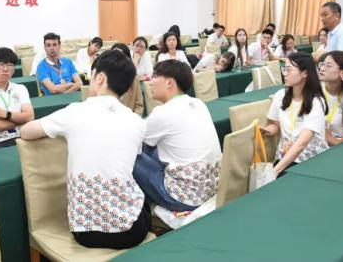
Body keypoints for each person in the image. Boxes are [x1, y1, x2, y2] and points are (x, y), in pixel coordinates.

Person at [20, 50, 149, 249]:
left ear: (100, 77)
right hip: (130, 232)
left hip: (85, 232)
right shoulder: (137, 122)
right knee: (142, 198)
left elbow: (26, 132)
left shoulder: (74, 112)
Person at [134, 60, 221, 212]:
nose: (150, 82)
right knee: (149, 148)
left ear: (169, 82)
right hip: (212, 189)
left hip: (183, 198)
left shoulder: (162, 113)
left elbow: (131, 139)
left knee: (127, 153)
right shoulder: (198, 103)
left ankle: (131, 202)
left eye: (155, 76)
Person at [261, 52, 329, 176]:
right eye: (284, 69)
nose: (284, 73)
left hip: (309, 159)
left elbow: (302, 143)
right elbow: (275, 125)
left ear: (304, 73)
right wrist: (268, 130)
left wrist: (274, 171)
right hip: (285, 155)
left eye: (289, 69)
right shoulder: (280, 95)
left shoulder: (316, 102)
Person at [111, 43, 143, 115]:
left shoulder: (133, 79)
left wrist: (133, 119)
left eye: (120, 56)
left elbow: (138, 106)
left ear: (127, 58)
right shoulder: (104, 78)